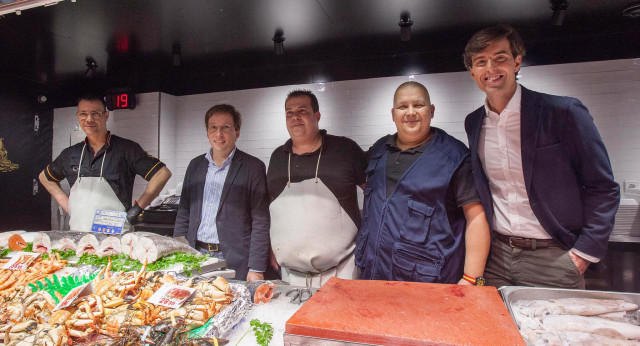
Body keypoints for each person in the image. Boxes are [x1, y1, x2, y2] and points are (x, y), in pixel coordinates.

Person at [463, 25, 621, 288]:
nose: (490, 68)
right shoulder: (474, 123)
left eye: (500, 58)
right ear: (472, 72)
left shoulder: (564, 112)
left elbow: (603, 187)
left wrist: (583, 254)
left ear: (517, 62)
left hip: (555, 257)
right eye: (481, 62)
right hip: (496, 257)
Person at [355, 81, 490, 285]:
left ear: (431, 110)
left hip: (427, 282)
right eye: (403, 107)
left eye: (418, 105)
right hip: (373, 275)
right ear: (393, 114)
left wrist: (472, 279)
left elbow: (477, 217)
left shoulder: (454, 157)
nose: (410, 113)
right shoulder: (379, 149)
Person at [268, 90, 367, 288]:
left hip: (341, 272)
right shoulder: (278, 157)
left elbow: (375, 195)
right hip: (290, 276)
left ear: (317, 115)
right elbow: (275, 209)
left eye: (302, 111)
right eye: (289, 112)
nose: (295, 117)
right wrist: (273, 248)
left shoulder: (345, 150)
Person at [39, 93, 171, 233]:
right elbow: (45, 178)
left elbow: (162, 173)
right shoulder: (70, 154)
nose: (89, 119)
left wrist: (138, 208)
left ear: (106, 116)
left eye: (95, 114)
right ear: (78, 116)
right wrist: (67, 205)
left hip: (116, 235)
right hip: (79, 234)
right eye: (83, 114)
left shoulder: (126, 149)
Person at [174, 104, 270, 281]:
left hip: (235, 259)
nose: (219, 134)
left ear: (237, 132)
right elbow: (184, 213)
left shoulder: (253, 167)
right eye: (213, 128)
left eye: (226, 128)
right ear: (207, 132)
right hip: (195, 256)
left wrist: (256, 267)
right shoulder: (195, 166)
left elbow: (261, 220)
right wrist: (177, 254)